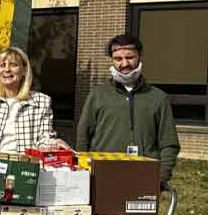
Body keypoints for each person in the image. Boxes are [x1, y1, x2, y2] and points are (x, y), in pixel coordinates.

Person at [77, 33, 180, 186]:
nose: (124, 64)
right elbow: (83, 137)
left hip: (144, 177)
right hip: (102, 177)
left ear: (140, 56)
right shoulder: (97, 94)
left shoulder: (158, 98)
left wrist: (160, 178)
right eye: (118, 59)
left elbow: (169, 144)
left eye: (130, 57)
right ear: (112, 60)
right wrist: (83, 174)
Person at [0, 47, 68, 155]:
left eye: (13, 65)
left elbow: (44, 139)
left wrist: (54, 144)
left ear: (24, 70)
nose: (6, 69)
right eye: (2, 65)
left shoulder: (42, 101)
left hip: (22, 165)